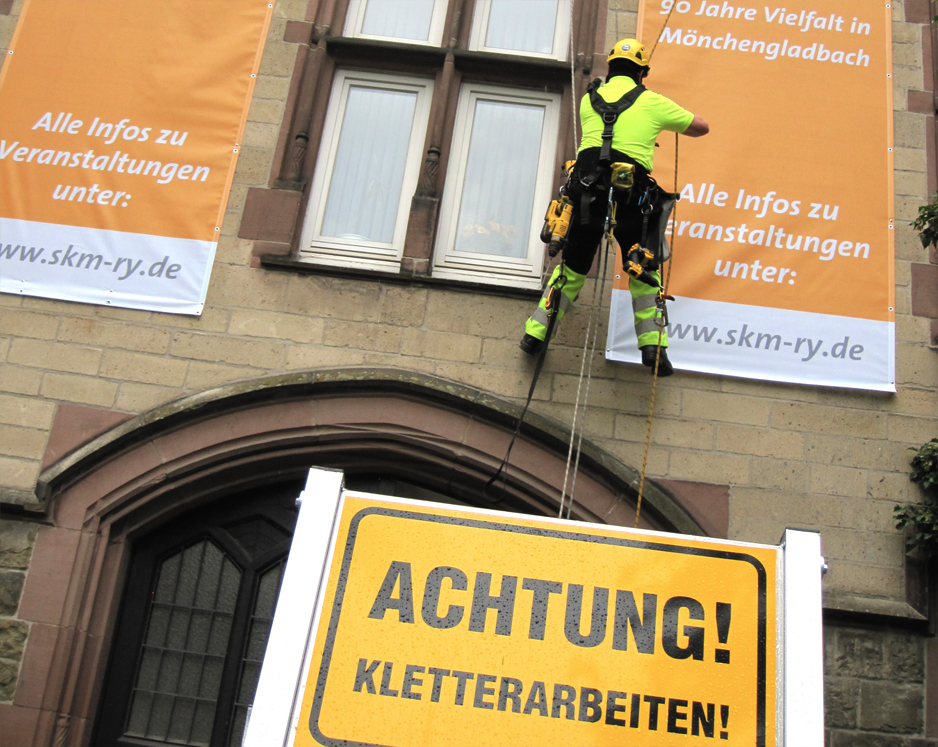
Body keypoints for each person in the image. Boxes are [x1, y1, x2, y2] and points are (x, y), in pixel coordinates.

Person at [520, 38, 709, 376]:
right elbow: (700, 128)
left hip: (586, 193)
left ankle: (536, 334)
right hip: (631, 197)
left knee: (574, 265)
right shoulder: (652, 101)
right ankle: (653, 350)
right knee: (641, 266)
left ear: (610, 68)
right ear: (643, 72)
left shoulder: (588, 100)